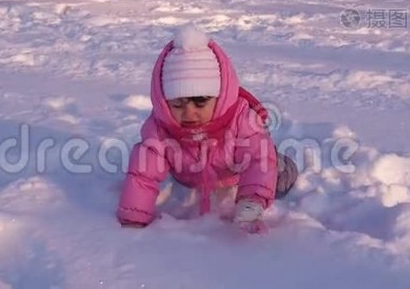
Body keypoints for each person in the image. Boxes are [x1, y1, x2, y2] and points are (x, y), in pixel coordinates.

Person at [116, 24, 297, 233]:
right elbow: (142, 174)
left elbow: (258, 159)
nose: (189, 113)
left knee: (272, 165)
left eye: (200, 103)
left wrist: (252, 201)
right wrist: (133, 215)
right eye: (177, 105)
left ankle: (272, 179)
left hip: (235, 173)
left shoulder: (240, 118)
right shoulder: (160, 127)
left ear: (219, 97)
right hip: (189, 175)